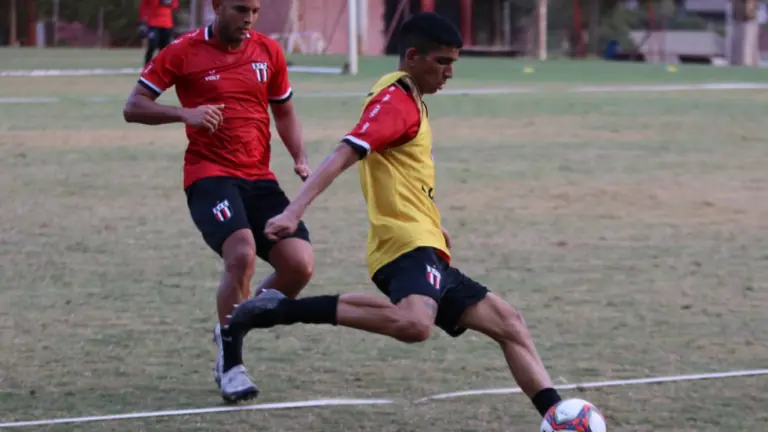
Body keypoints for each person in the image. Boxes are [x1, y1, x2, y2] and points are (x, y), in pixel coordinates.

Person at [229, 12, 565, 420]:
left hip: (425, 243)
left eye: (453, 63)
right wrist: (293, 210)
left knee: (510, 323)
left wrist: (435, 222)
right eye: (442, 62)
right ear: (411, 57)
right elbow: (344, 152)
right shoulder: (395, 102)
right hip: (405, 244)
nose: (449, 73)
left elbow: (404, 176)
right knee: (415, 324)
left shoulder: (408, 101)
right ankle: (279, 309)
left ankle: (559, 417)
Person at [122, 0, 315, 403]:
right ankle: (231, 365)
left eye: (256, 11)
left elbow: (284, 111)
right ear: (216, 6)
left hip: (259, 178)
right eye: (240, 9)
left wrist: (298, 155)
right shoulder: (182, 50)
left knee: (298, 265)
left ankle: (235, 322)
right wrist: (184, 114)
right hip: (209, 175)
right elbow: (133, 106)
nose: (249, 18)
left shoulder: (268, 51)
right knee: (241, 253)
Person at [139, 0, 179, 66]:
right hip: (153, 23)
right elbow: (143, 6)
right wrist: (142, 21)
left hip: (167, 24)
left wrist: (169, 2)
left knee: (164, 49)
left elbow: (175, 6)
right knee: (152, 45)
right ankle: (146, 67)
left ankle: (161, 67)